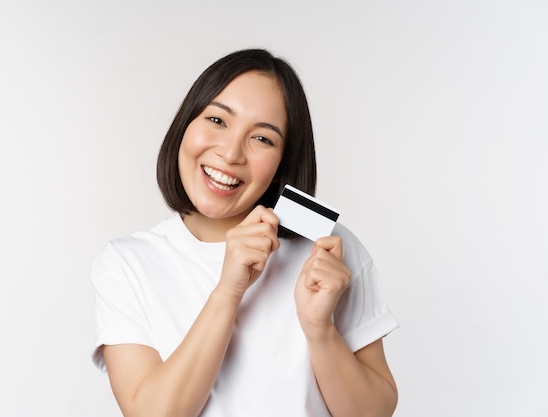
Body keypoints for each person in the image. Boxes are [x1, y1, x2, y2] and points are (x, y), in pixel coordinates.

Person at [91, 48, 399, 417]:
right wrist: (228, 291)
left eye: (263, 139)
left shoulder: (330, 250)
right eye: (218, 120)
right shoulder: (127, 263)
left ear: (284, 161)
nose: (231, 153)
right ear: (185, 125)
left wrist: (320, 330)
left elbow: (374, 413)